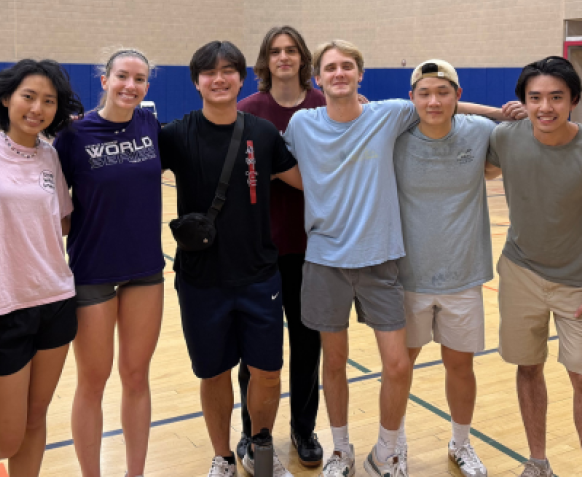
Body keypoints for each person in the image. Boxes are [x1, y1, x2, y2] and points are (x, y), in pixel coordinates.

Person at [283, 39, 522, 477]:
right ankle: (342, 451)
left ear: (360, 75)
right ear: (318, 78)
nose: (339, 73)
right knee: (333, 362)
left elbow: (449, 106)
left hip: (384, 261)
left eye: (347, 66)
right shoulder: (302, 123)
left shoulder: (387, 115)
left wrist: (501, 113)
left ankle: (390, 449)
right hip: (325, 259)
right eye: (330, 67)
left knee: (398, 365)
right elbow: (284, 164)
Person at [159, 40, 303, 477]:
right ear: (196, 81)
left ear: (242, 78)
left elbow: (310, 182)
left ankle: (260, 448)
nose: (218, 79)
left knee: (268, 373)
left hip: (260, 276)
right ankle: (222, 455)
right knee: (214, 373)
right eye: (209, 72)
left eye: (228, 71)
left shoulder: (262, 133)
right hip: (202, 278)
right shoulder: (176, 134)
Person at [0, 59, 83, 477]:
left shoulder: (50, 157)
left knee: (34, 419)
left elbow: (62, 219)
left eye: (48, 101)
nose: (37, 108)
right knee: (6, 435)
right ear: (6, 98)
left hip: (56, 301)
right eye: (28, 96)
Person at [54, 48, 165, 477]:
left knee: (136, 377)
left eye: (139, 79)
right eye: (122, 76)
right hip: (91, 272)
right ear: (104, 80)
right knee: (93, 381)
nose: (130, 86)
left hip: (145, 271)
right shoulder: (73, 136)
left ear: (146, 88)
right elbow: (50, 201)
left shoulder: (152, 126)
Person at [393, 59, 498, 477]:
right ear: (411, 99)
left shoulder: (481, 133)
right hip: (407, 277)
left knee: (461, 367)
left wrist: (496, 113)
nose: (433, 100)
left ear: (458, 96)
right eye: (424, 93)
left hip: (463, 275)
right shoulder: (395, 135)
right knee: (400, 367)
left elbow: (509, 153)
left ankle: (461, 443)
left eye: (443, 92)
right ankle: (394, 444)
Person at [485, 56, 582, 477]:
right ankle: (537, 462)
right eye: (535, 97)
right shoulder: (507, 137)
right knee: (529, 367)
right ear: (522, 100)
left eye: (556, 97)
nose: (546, 107)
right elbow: (452, 109)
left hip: (578, 283)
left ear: (574, 101)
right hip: (521, 271)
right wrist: (498, 112)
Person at [235, 25, 326, 468]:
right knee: (256, 350)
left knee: (308, 344)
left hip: (315, 247)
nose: (284, 57)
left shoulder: (326, 105)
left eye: (291, 50)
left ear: (303, 58)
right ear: (266, 60)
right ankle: (252, 431)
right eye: (276, 51)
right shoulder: (248, 110)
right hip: (261, 247)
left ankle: (304, 429)